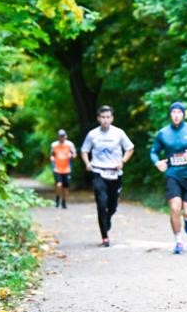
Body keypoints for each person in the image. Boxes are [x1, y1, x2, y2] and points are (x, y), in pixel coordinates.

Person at [150, 102, 187, 254]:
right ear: (170, 115)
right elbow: (154, 151)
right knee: (174, 208)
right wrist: (157, 162)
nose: (176, 115)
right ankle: (178, 241)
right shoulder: (163, 133)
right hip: (173, 175)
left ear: (183, 114)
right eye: (173, 112)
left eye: (179, 112)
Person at [80, 106, 135, 247]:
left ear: (112, 118)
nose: (105, 120)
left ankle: (108, 217)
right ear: (98, 118)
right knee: (101, 202)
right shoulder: (92, 134)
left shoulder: (119, 133)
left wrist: (122, 161)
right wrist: (87, 163)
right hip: (98, 171)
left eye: (108, 117)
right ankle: (104, 236)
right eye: (102, 117)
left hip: (115, 172)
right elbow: (84, 150)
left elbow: (130, 148)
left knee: (112, 205)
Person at [49, 129, 76, 209]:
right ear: (58, 137)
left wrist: (71, 156)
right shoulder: (54, 145)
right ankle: (57, 197)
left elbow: (74, 154)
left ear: (66, 136)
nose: (62, 138)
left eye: (63, 136)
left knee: (65, 187)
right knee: (59, 184)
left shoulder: (70, 144)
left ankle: (64, 201)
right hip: (57, 168)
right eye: (60, 136)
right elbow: (52, 155)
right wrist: (52, 158)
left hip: (67, 168)